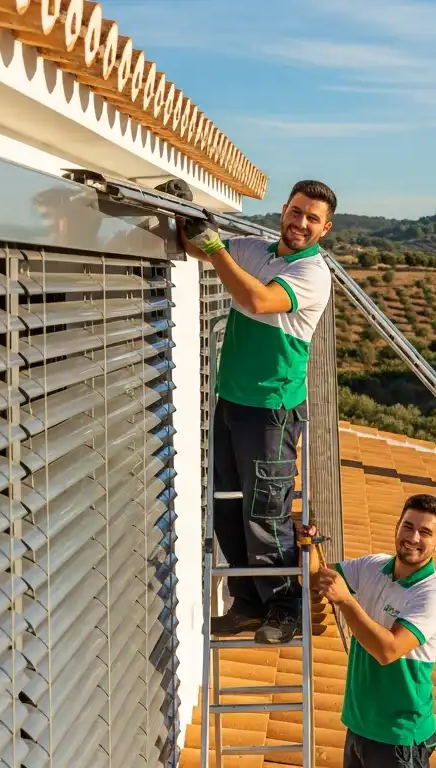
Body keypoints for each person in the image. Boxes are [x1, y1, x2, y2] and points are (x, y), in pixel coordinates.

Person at [179, 179, 337, 644]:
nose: (301, 223)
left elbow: (256, 300)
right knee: (227, 510)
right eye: (296, 211)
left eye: (312, 218)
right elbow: (193, 248)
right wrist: (183, 217)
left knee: (265, 513)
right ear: (283, 210)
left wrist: (211, 244)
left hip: (272, 410)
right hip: (232, 400)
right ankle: (247, 603)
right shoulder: (252, 249)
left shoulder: (313, 274)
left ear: (324, 229)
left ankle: (286, 607)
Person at [310, 494, 436, 768]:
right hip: (359, 724)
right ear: (397, 526)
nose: (413, 537)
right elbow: (318, 577)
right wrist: (306, 545)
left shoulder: (434, 596)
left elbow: (387, 650)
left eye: (425, 532)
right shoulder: (373, 567)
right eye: (408, 526)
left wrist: (346, 600)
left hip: (399, 738)